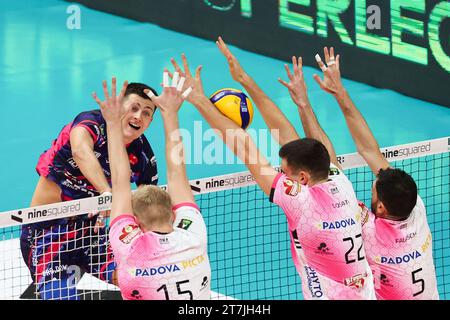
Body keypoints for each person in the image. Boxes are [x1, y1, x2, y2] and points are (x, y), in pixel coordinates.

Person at [165, 41, 375, 299]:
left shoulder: (299, 200)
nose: (281, 174)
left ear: (302, 178)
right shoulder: (339, 180)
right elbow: (294, 138)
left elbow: (244, 147)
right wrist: (244, 79)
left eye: (284, 172)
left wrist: (198, 99)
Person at [312, 47, 439, 300]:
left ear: (380, 208)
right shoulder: (415, 210)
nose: (373, 183)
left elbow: (329, 170)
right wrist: (340, 92)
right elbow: (370, 151)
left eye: (373, 189)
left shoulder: (368, 231)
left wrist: (305, 104)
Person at [21, 82, 159, 299]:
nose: (138, 116)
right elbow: (80, 151)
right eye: (134, 107)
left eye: (147, 112)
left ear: (150, 121)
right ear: (118, 107)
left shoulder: (142, 154)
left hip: (93, 236)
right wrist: (106, 193)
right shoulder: (90, 123)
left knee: (144, 282)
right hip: (47, 237)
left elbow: (151, 202)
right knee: (60, 295)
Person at [98, 75, 211, 300]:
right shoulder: (194, 235)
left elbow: (120, 181)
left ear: (136, 224)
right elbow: (177, 174)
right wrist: (171, 114)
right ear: (173, 212)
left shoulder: (130, 251)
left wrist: (111, 123)